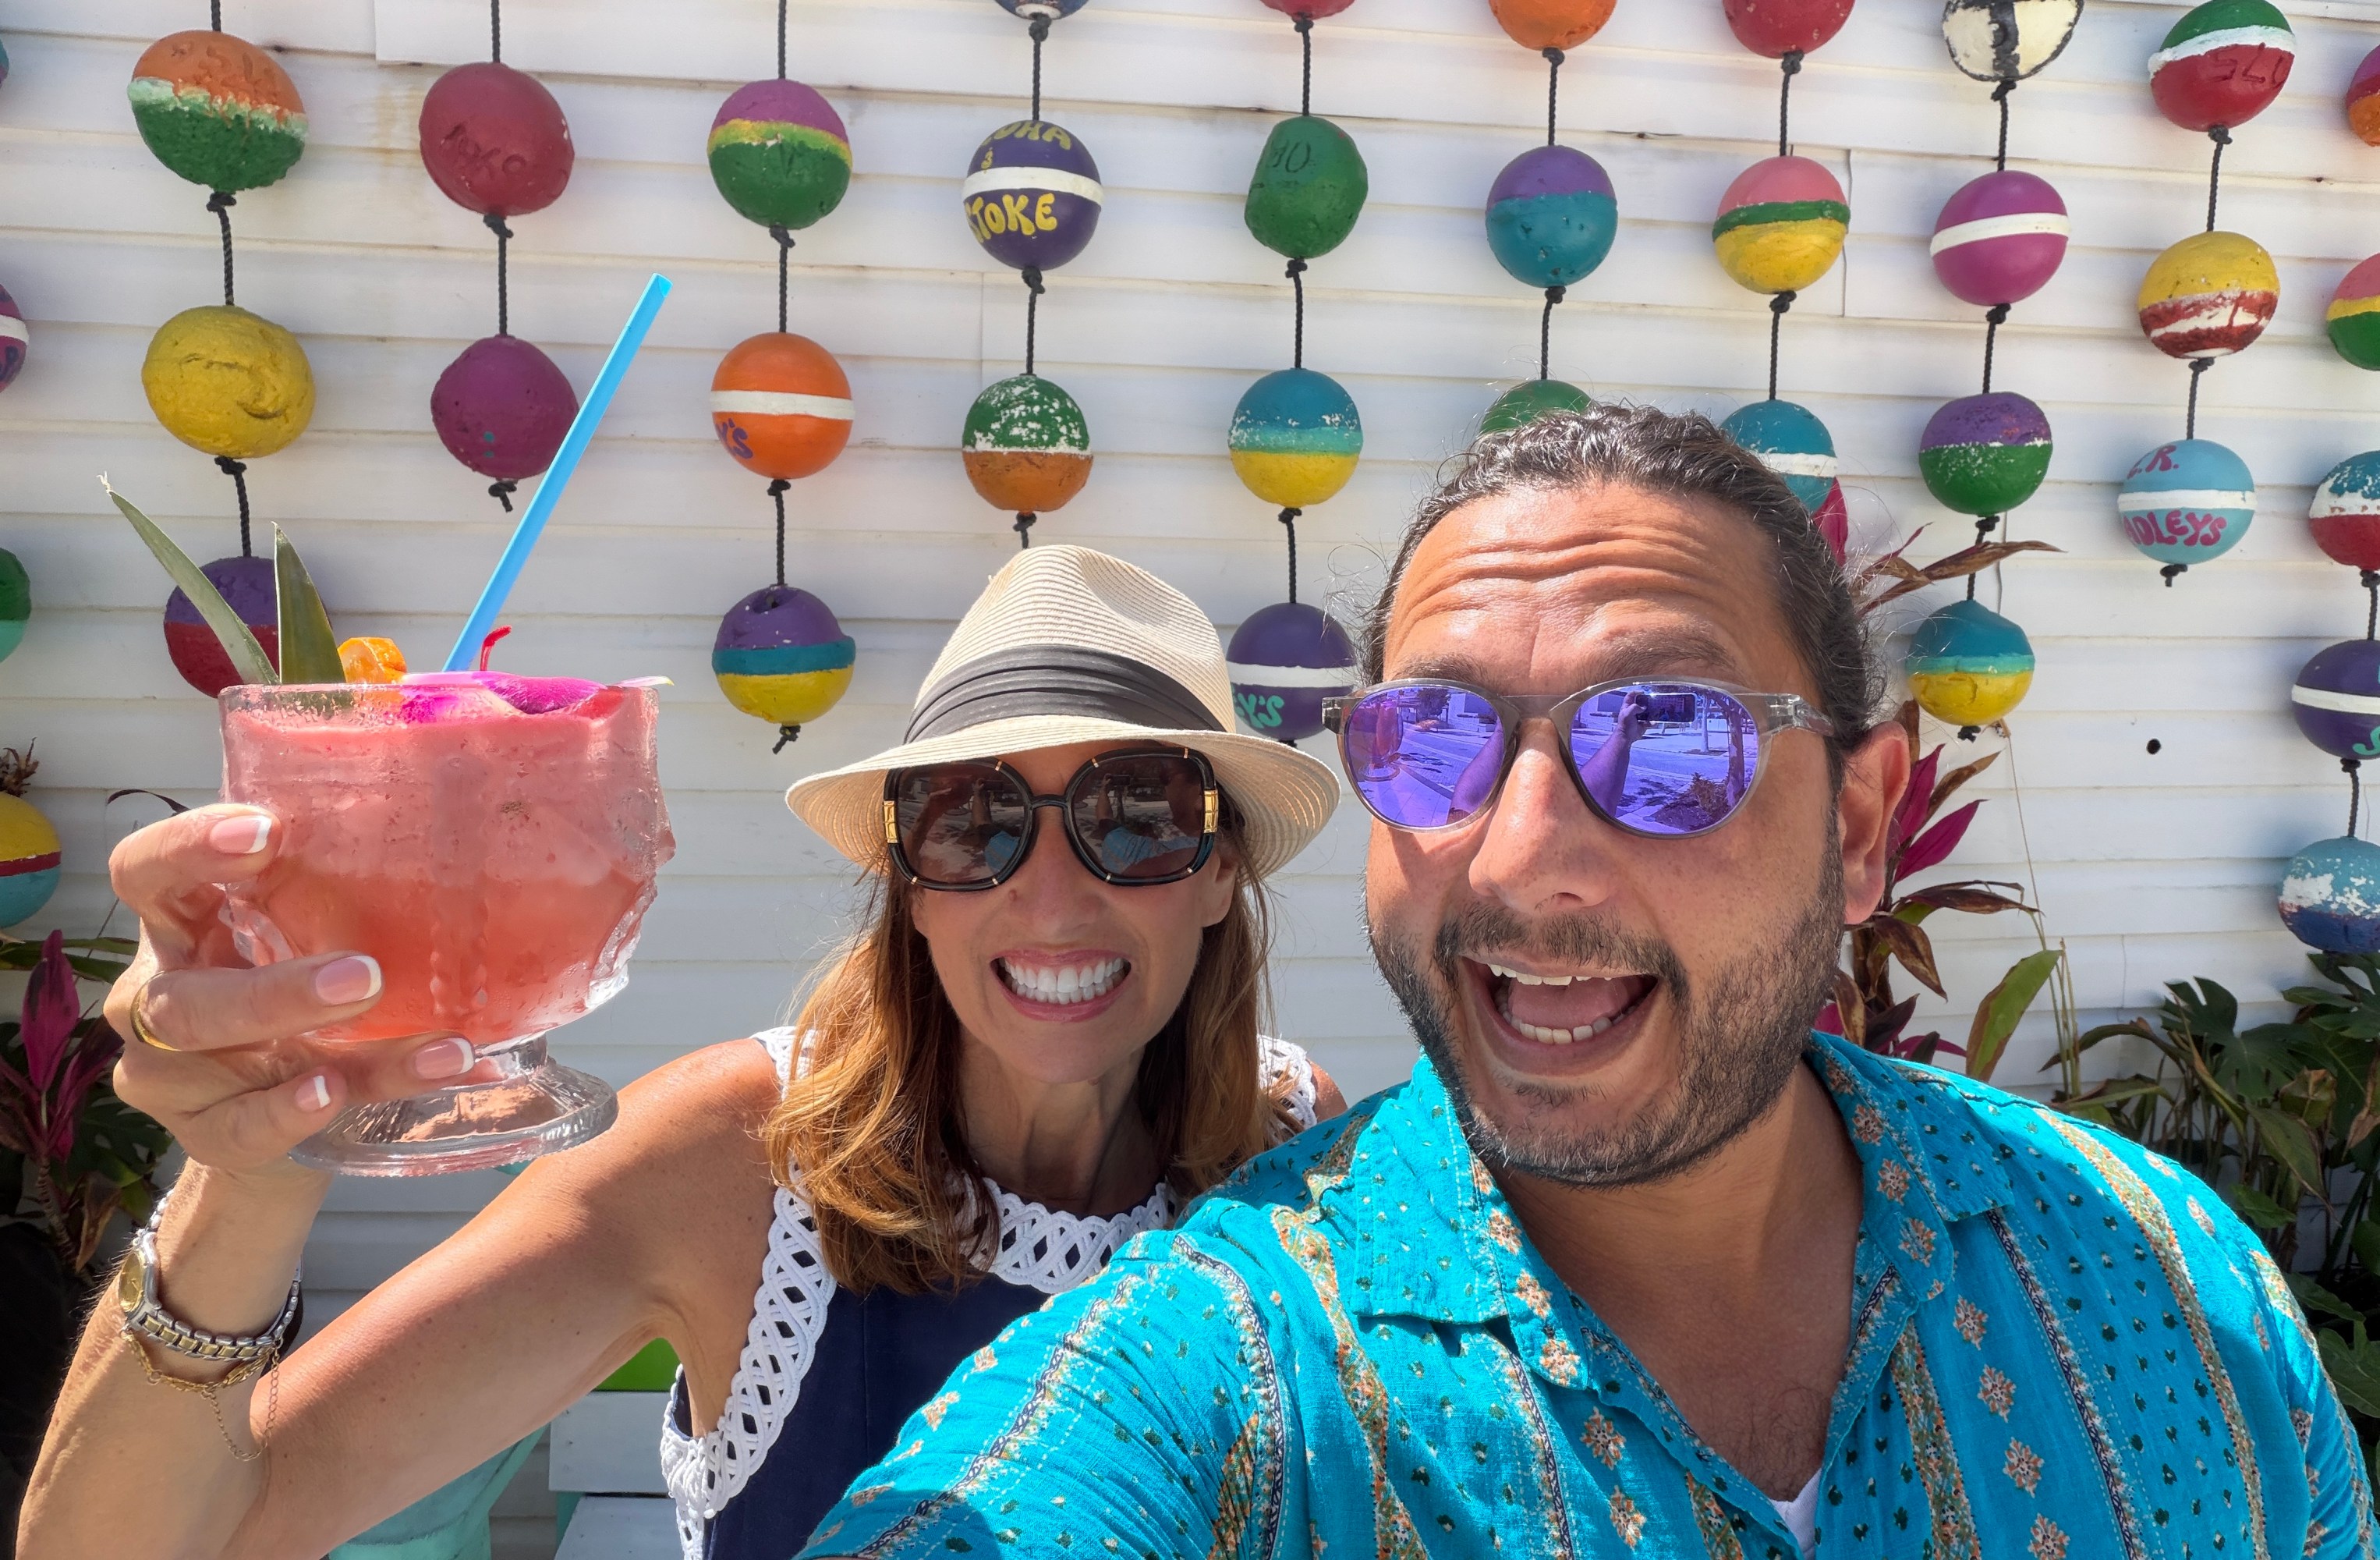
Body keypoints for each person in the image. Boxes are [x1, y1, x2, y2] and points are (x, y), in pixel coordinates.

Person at [792, 405, 2375, 1559]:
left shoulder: (2158, 1279)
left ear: (1859, 827)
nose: (1523, 857)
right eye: (1434, 743)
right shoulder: (1225, 1372)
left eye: (1669, 739)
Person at [19, 544, 1348, 1560]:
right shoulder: (736, 1166)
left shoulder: (1285, 1146)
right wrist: (252, 1174)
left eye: (1135, 814)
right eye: (972, 818)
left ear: (1219, 870)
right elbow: (146, 1541)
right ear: (909, 883)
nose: (1051, 899)